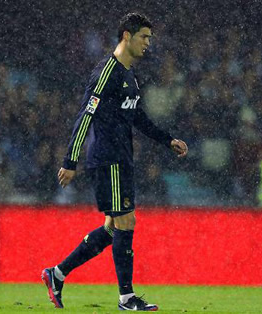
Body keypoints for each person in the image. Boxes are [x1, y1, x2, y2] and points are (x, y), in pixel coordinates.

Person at [42, 13, 188, 311]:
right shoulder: (107, 72)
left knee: (112, 228)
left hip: (121, 157)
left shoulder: (129, 74)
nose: (149, 43)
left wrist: (166, 139)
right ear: (126, 36)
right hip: (108, 158)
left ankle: (56, 274)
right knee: (126, 221)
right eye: (144, 36)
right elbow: (86, 115)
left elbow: (137, 117)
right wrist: (71, 160)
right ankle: (126, 297)